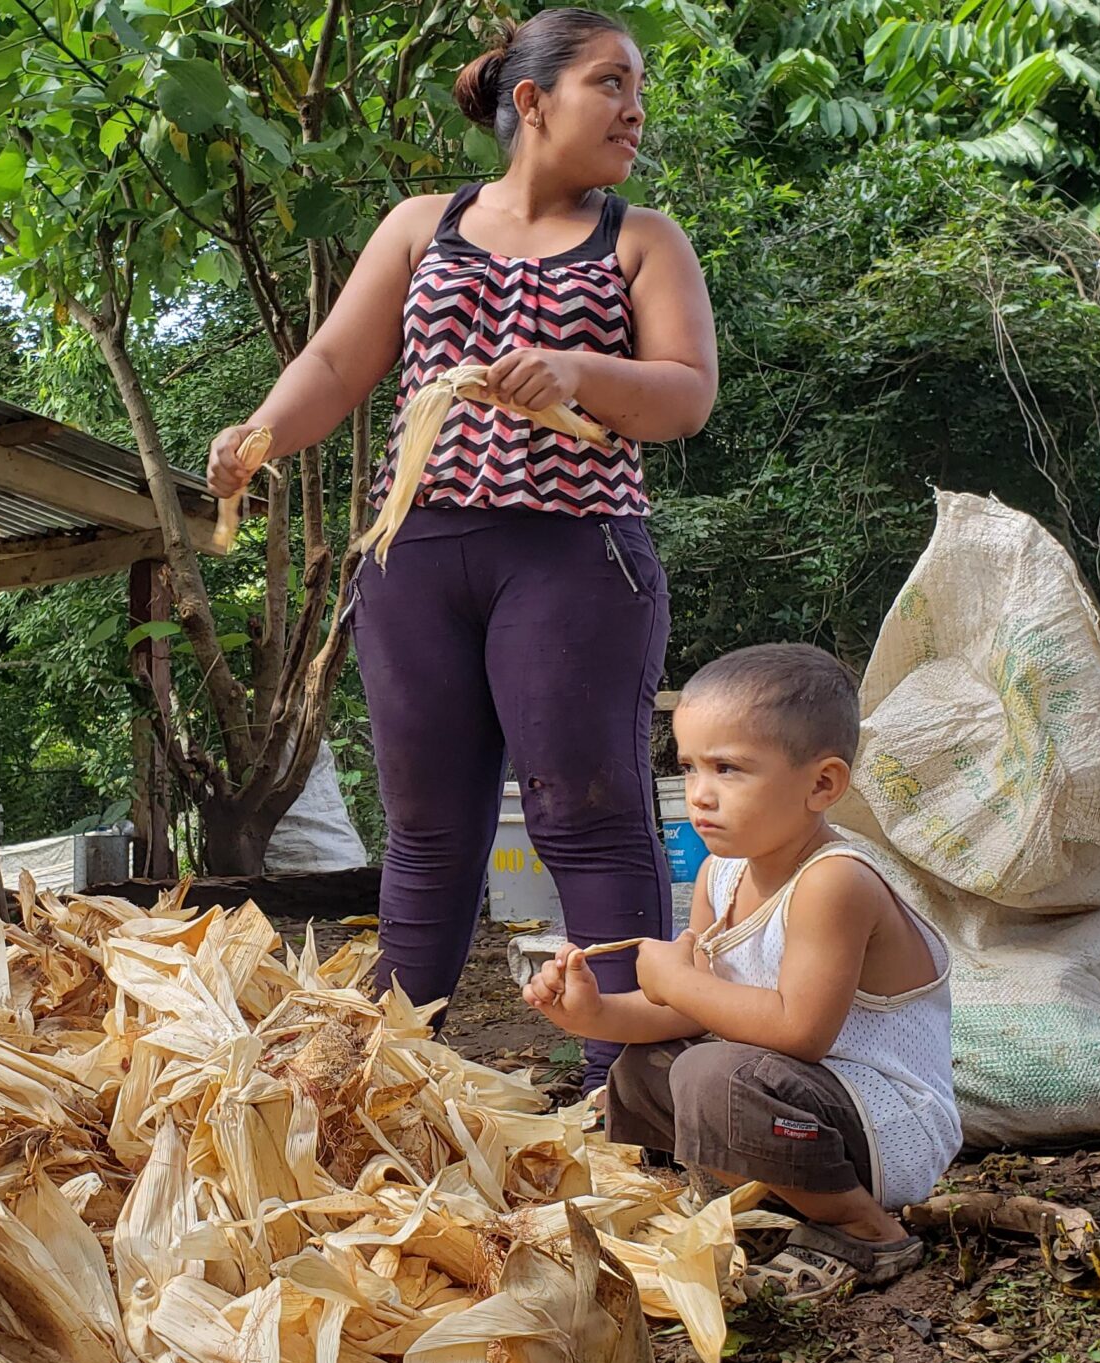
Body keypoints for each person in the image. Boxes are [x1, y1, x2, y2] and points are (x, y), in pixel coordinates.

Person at [205, 7, 718, 1101]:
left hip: (576, 558)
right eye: (610, 85)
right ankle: (389, 1088)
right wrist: (257, 435)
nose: (634, 110)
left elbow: (685, 396)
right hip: (418, 557)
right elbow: (341, 361)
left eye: (638, 89)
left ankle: (621, 1094)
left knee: (589, 817)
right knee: (429, 832)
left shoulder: (640, 238)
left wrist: (580, 370)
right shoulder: (420, 225)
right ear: (529, 103)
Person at [521, 645, 959, 1301]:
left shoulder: (833, 883)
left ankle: (864, 1232)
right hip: (794, 1104)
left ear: (822, 785)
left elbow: (799, 1032)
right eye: (690, 766)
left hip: (883, 1128)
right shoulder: (719, 874)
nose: (700, 794)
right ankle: (715, 1202)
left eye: (729, 769)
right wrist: (594, 1015)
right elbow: (695, 1011)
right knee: (644, 1067)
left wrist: (676, 980)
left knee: (711, 1072)